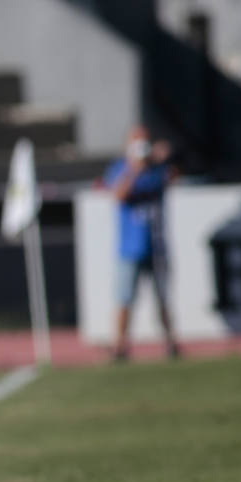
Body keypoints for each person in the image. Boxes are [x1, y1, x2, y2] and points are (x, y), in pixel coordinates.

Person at [101, 125, 179, 361]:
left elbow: (175, 175)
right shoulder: (120, 169)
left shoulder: (157, 170)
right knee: (124, 299)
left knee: (163, 298)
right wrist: (134, 168)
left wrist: (160, 157)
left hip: (156, 247)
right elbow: (118, 195)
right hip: (129, 248)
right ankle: (120, 346)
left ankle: (171, 343)